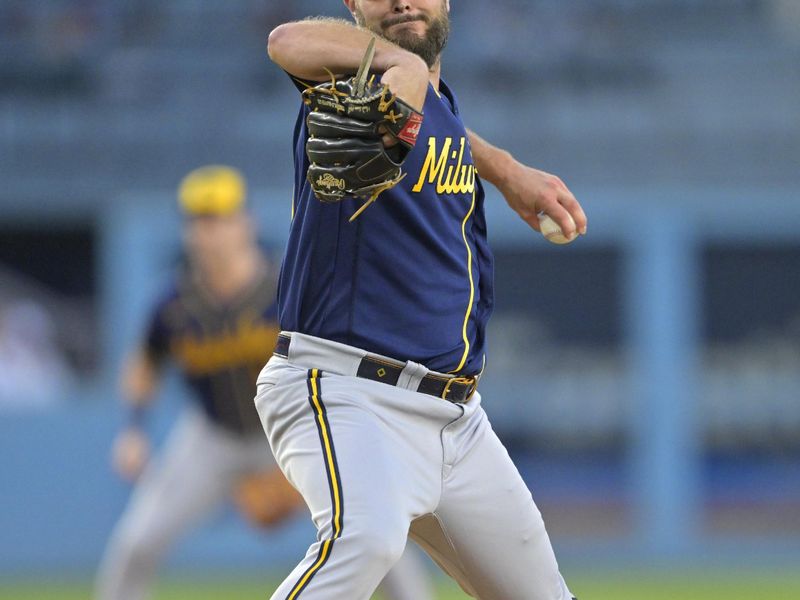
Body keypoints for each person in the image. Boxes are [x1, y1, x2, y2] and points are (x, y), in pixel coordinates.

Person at [257, 2, 588, 599]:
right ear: (354, 4)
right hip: (347, 388)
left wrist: (506, 169)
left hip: (456, 421)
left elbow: (436, 120)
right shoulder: (348, 84)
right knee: (366, 538)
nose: (405, 1)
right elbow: (285, 40)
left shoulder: (436, 104)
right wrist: (389, 59)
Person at [95, 165, 434, 600]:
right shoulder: (173, 307)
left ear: (245, 223)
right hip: (212, 439)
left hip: (296, 429)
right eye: (197, 220)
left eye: (217, 218)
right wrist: (134, 428)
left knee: (375, 530)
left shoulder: (286, 289)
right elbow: (144, 363)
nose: (207, 232)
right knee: (136, 544)